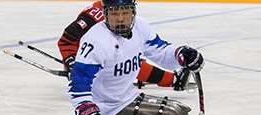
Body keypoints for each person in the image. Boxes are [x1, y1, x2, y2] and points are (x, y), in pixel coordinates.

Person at [67, 0, 205, 115]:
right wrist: (89, 113)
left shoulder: (140, 26)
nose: (120, 18)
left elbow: (162, 52)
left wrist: (180, 54)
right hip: (107, 109)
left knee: (182, 111)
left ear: (133, 12)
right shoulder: (95, 40)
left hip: (129, 96)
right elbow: (78, 84)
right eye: (114, 13)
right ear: (105, 14)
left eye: (125, 12)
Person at [58, 1, 191, 91]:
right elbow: (67, 41)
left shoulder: (124, 16)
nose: (121, 17)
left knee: (128, 60)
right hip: (90, 58)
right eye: (115, 13)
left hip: (103, 55)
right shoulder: (94, 15)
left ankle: (171, 79)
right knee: (126, 63)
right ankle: (171, 79)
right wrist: (72, 63)